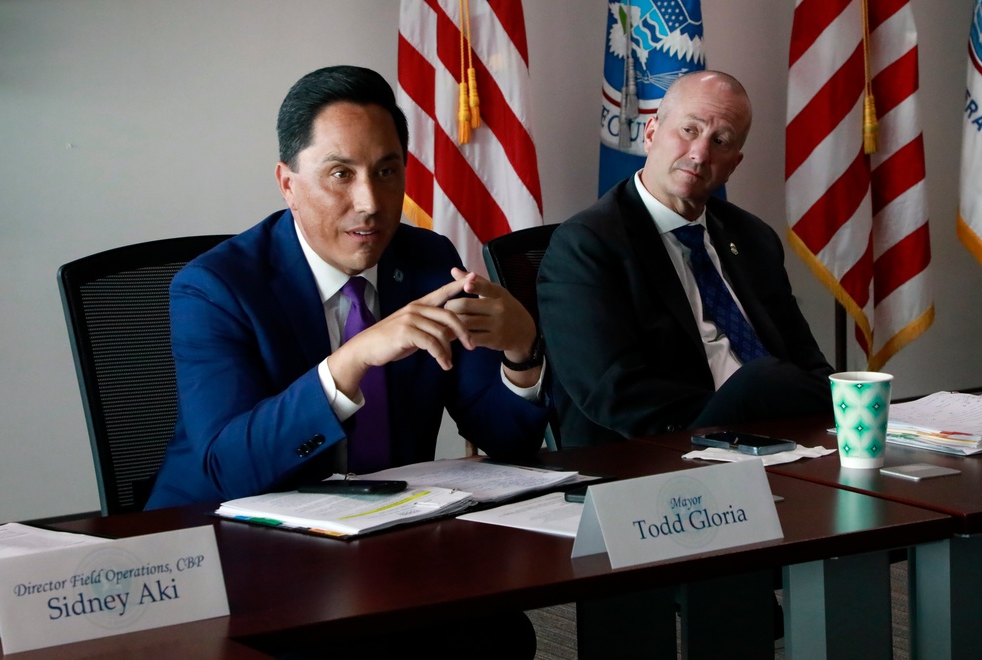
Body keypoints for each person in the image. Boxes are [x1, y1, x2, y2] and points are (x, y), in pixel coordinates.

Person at [146, 65, 547, 509]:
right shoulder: (215, 289)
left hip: (386, 531)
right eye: (341, 174)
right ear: (288, 184)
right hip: (222, 537)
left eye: (387, 172)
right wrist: (352, 361)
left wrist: (521, 352)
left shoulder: (428, 262)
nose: (370, 203)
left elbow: (506, 441)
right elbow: (230, 470)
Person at [538, 70, 832, 447]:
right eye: (689, 130)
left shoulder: (753, 237)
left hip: (778, 438)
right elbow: (615, 393)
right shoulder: (587, 245)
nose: (700, 153)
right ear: (651, 133)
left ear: (734, 164)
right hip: (663, 450)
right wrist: (735, 414)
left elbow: (806, 360)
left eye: (720, 140)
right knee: (766, 378)